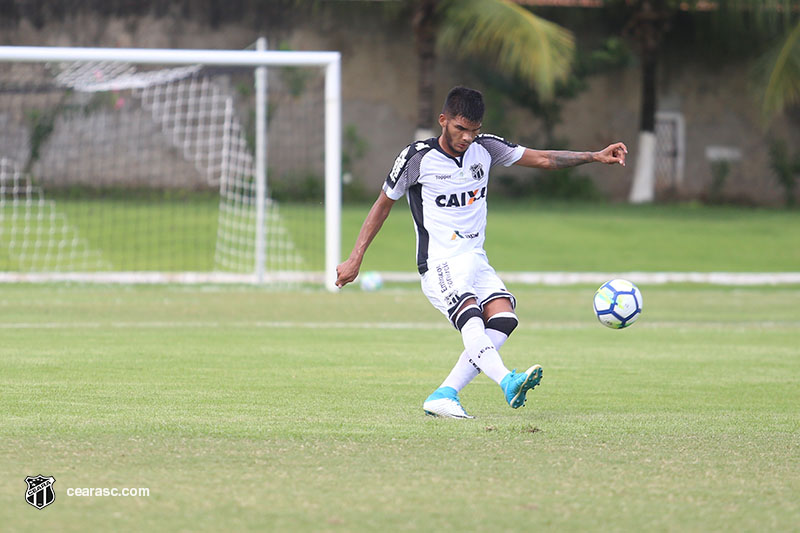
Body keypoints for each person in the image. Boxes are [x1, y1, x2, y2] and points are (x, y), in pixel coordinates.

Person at [336, 86, 627, 419]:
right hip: (440, 262)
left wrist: (594, 156)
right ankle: (507, 380)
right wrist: (355, 258)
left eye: (473, 131)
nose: (467, 138)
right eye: (460, 128)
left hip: (476, 258)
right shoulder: (417, 158)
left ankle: (444, 394)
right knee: (471, 317)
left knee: (504, 319)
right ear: (443, 120)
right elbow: (382, 205)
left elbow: (544, 159)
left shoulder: (486, 147)